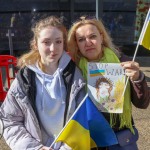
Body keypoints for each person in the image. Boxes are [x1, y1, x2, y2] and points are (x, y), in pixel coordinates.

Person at [0, 16, 86, 150]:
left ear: (64, 43)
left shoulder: (76, 76)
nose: (53, 48)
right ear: (36, 44)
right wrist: (35, 148)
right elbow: (9, 120)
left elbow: (83, 121)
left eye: (58, 42)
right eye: (46, 42)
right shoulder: (23, 79)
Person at [67, 16, 150, 149]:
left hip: (120, 140)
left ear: (101, 37)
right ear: (76, 44)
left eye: (92, 36)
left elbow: (142, 103)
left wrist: (138, 78)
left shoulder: (122, 62)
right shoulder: (73, 69)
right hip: (89, 141)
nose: (87, 43)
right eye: (81, 39)